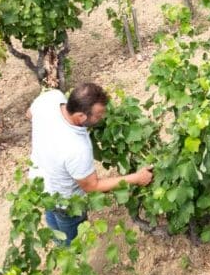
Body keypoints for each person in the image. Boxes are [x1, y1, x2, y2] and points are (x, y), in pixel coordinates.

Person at [27, 82, 152, 246]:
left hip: (39, 184)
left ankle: (58, 244)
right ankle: (70, 257)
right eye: (98, 116)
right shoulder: (77, 148)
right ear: (81, 116)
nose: (102, 118)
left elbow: (29, 113)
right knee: (72, 242)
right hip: (67, 201)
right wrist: (136, 178)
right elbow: (92, 186)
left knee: (53, 221)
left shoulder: (51, 98)